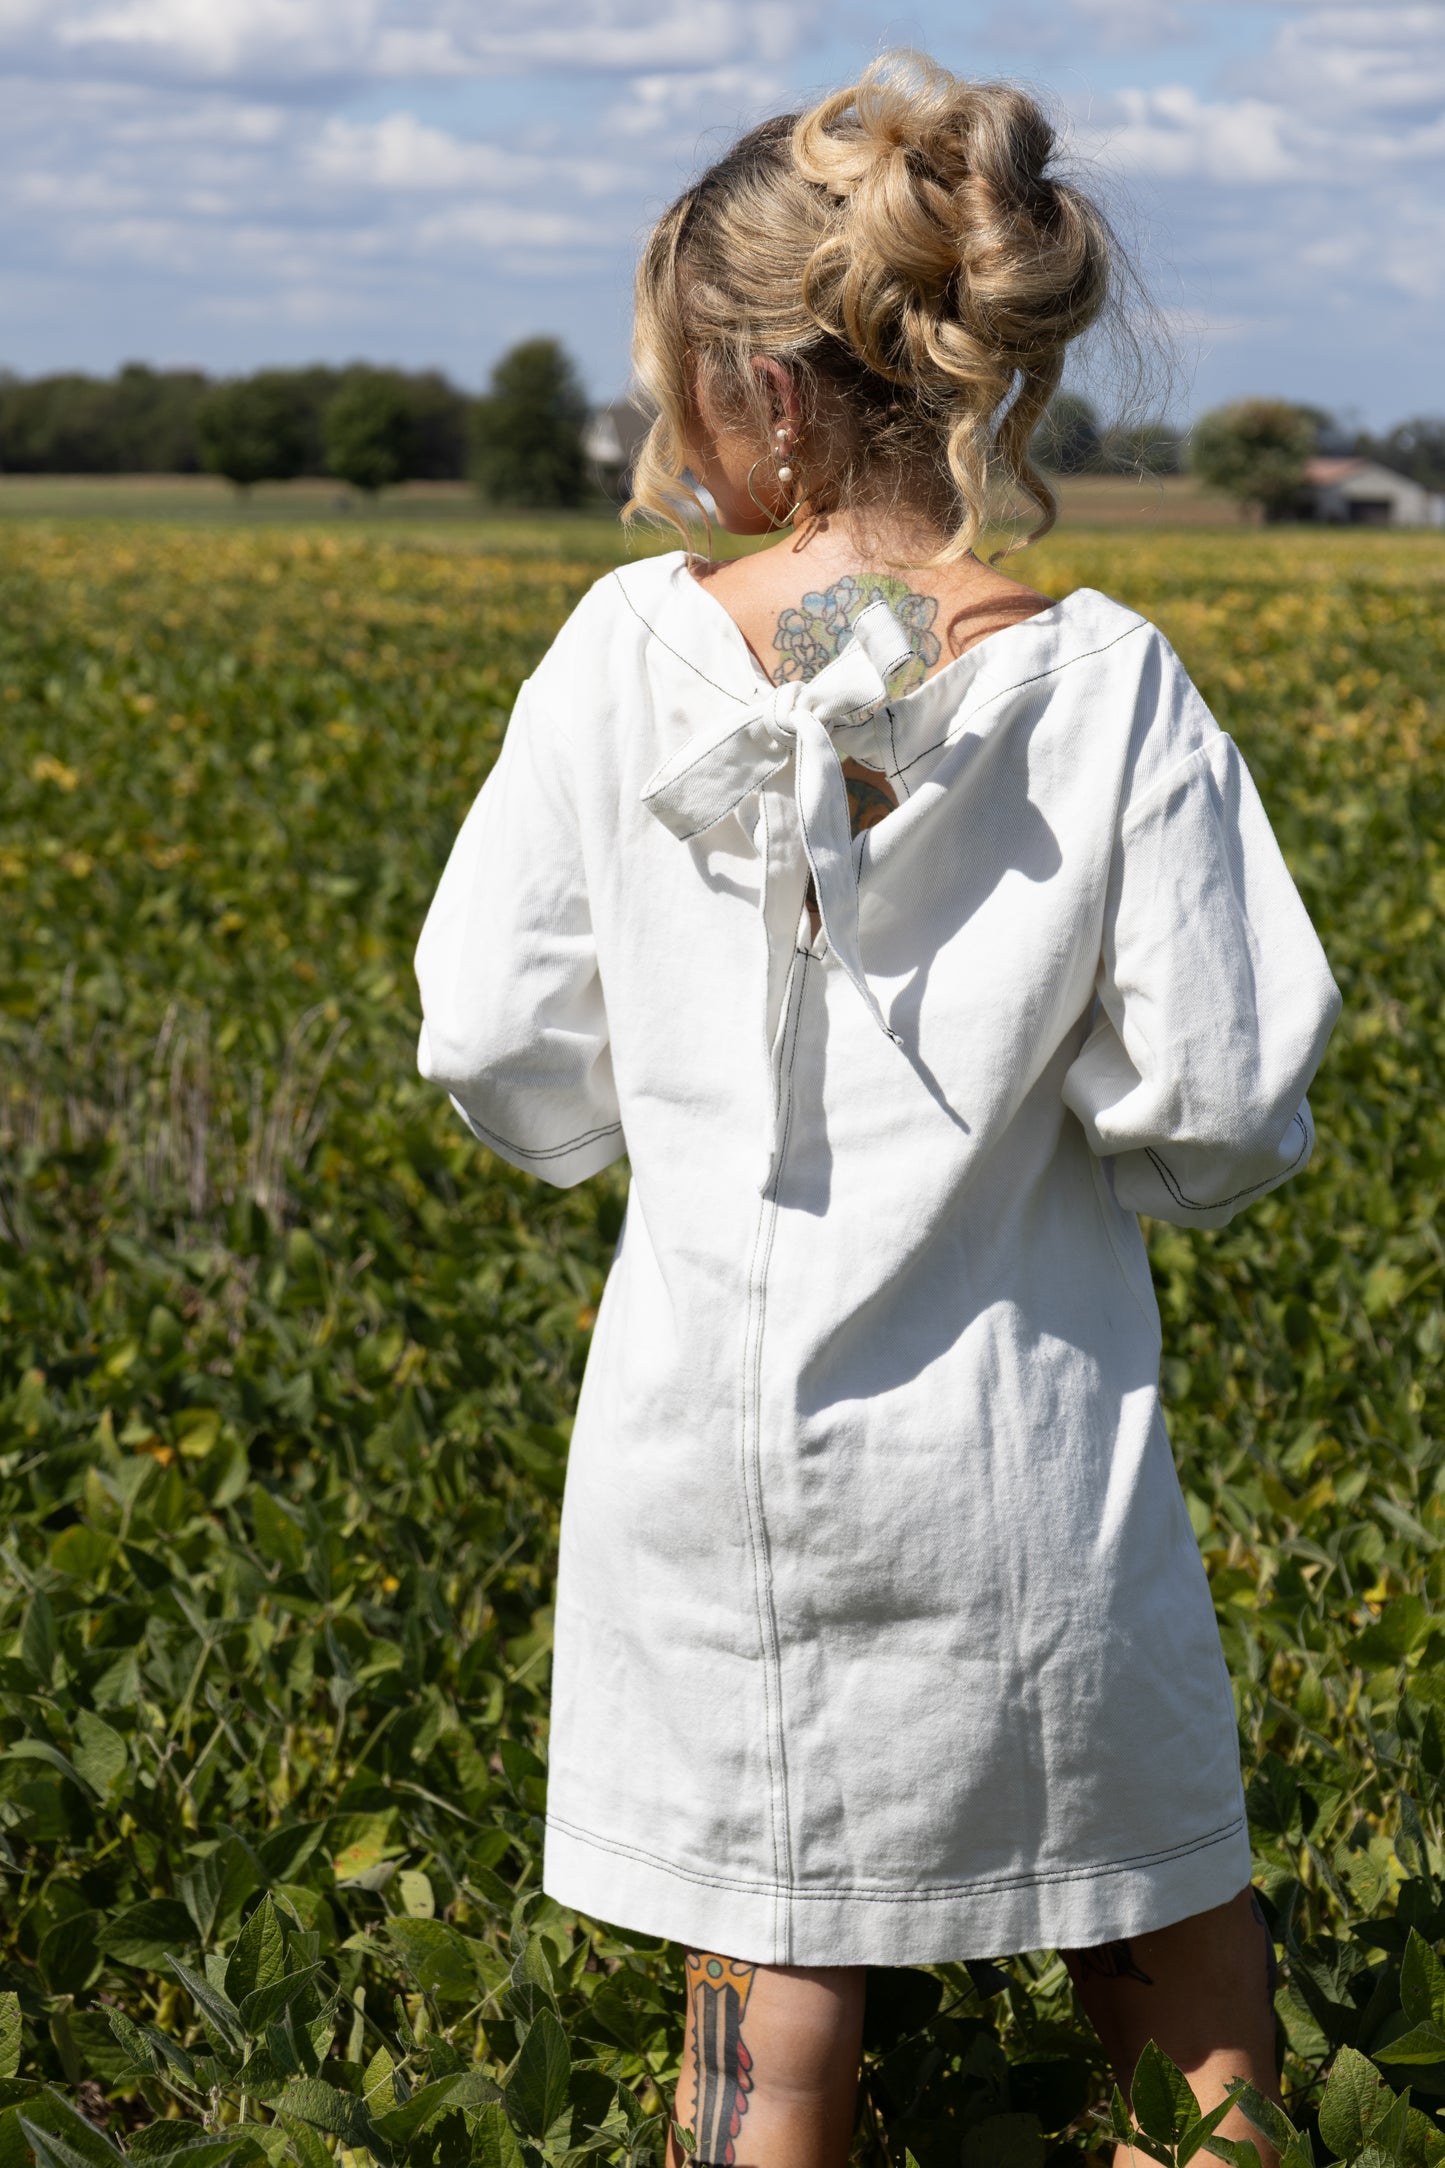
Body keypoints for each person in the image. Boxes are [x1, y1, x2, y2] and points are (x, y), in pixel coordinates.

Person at [414, 51, 1340, 2168]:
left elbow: (487, 1029)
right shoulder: (1105, 686)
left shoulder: (619, 657)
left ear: (759, 387)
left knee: (774, 2008)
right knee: (1170, 1956)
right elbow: (1214, 1094)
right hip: (1028, 1470)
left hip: (708, 1457)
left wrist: (628, 1105)